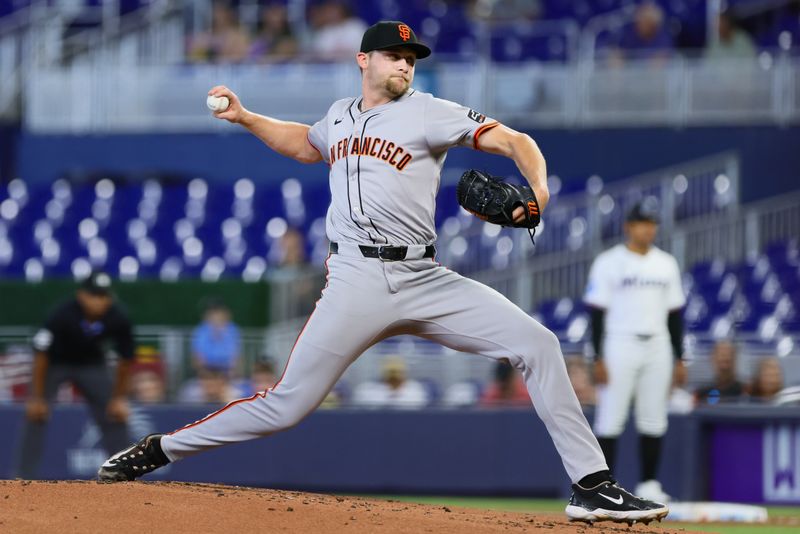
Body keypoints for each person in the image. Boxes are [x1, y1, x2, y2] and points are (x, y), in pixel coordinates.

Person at [99, 21, 668, 525]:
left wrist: (538, 188)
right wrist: (246, 117)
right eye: (395, 56)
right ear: (363, 61)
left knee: (538, 344)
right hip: (355, 280)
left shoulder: (428, 111)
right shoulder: (340, 117)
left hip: (424, 277)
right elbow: (305, 143)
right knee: (287, 404)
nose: (405, 64)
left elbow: (515, 140)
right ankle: (161, 449)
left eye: (412, 58)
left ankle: (593, 486)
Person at [584, 202, 686, 504]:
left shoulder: (666, 263)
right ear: (628, 226)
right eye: (642, 222)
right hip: (619, 341)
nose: (648, 228)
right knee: (610, 418)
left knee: (654, 418)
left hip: (658, 342)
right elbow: (597, 315)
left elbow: (675, 316)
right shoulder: (608, 262)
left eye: (652, 223)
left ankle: (649, 484)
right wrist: (598, 357)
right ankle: (602, 486)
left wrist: (680, 357)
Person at [17, 271, 133, 478]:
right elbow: (41, 353)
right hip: (56, 363)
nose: (99, 301)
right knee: (36, 414)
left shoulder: (117, 316)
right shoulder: (62, 313)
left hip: (92, 365)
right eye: (94, 295)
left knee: (115, 414)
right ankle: (23, 477)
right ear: (82, 295)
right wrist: (37, 396)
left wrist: (119, 398)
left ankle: (122, 473)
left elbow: (126, 360)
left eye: (104, 296)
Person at [352, 356, 429, 409]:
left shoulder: (416, 390)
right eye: (391, 372)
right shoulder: (367, 390)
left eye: (398, 372)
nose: (394, 378)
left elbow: (417, 409)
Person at [191, 299, 241, 375]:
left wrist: (232, 372)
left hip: (226, 369)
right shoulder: (201, 330)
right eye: (212, 312)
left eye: (218, 312)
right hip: (208, 369)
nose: (216, 315)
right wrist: (205, 372)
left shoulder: (232, 329)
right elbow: (198, 356)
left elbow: (235, 355)